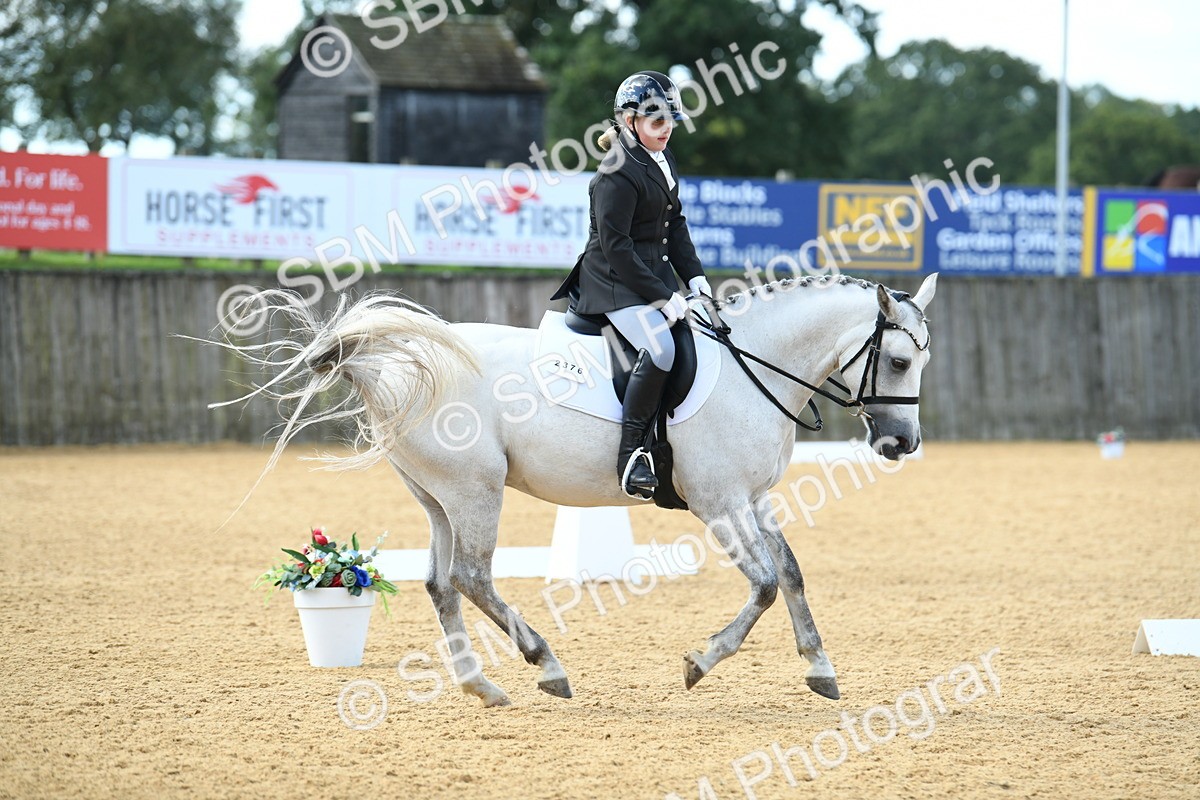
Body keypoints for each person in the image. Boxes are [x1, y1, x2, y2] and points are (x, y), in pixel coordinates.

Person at [551, 71, 712, 500]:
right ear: (629, 121)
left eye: (671, 120)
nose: (666, 129)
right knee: (660, 348)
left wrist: (695, 278)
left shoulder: (662, 158)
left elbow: (672, 224)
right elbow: (618, 249)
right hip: (611, 282)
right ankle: (633, 455)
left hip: (648, 277)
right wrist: (664, 296)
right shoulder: (614, 173)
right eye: (656, 121)